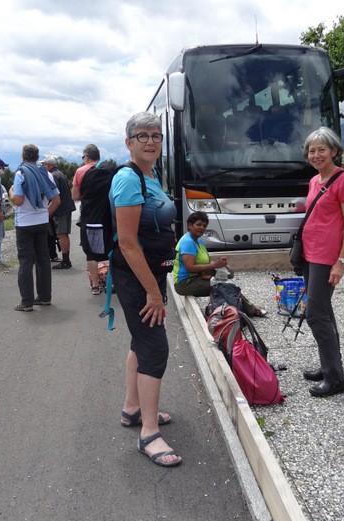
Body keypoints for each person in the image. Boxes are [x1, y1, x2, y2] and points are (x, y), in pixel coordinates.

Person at [112, 112, 180, 467]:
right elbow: (127, 242)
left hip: (152, 273)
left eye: (156, 135)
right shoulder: (128, 179)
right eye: (142, 136)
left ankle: (132, 409)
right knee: (155, 348)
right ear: (129, 142)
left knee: (141, 342)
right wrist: (153, 292)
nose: (151, 141)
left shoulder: (150, 174)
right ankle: (149, 434)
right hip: (138, 278)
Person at [299, 127, 344, 397]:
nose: (316, 155)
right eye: (312, 150)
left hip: (327, 257)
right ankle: (329, 367)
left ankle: (335, 379)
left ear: (334, 151)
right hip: (309, 254)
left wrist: (341, 262)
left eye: (322, 149)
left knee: (315, 314)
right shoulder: (315, 180)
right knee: (324, 312)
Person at [172, 211, 267, 317]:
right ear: (190, 225)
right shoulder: (188, 242)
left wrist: (221, 265)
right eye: (198, 224)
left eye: (204, 226)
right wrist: (214, 266)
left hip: (197, 275)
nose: (202, 228)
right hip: (185, 283)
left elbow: (207, 261)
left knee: (229, 273)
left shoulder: (199, 241)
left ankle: (232, 307)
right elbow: (190, 268)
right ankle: (249, 310)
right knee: (225, 285)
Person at [9, 144, 60, 311]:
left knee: (25, 261)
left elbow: (18, 200)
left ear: (23, 156)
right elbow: (57, 200)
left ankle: (26, 302)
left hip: (24, 223)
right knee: (43, 259)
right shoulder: (46, 173)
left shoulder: (21, 173)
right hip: (42, 223)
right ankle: (45, 297)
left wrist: (10, 192)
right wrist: (45, 214)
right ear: (37, 157)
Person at [74, 144, 104, 292]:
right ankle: (111, 281)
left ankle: (96, 285)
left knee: (91, 253)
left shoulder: (81, 171)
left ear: (86, 157)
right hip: (107, 216)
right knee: (110, 250)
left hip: (89, 217)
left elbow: (75, 196)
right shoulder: (107, 170)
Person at [42, 156, 76, 270]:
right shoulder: (59, 173)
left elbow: (53, 194)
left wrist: (49, 208)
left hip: (60, 209)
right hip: (65, 207)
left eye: (44, 164)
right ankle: (66, 259)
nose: (43, 166)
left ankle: (66, 261)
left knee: (61, 234)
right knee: (64, 234)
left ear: (49, 165)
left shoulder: (53, 176)